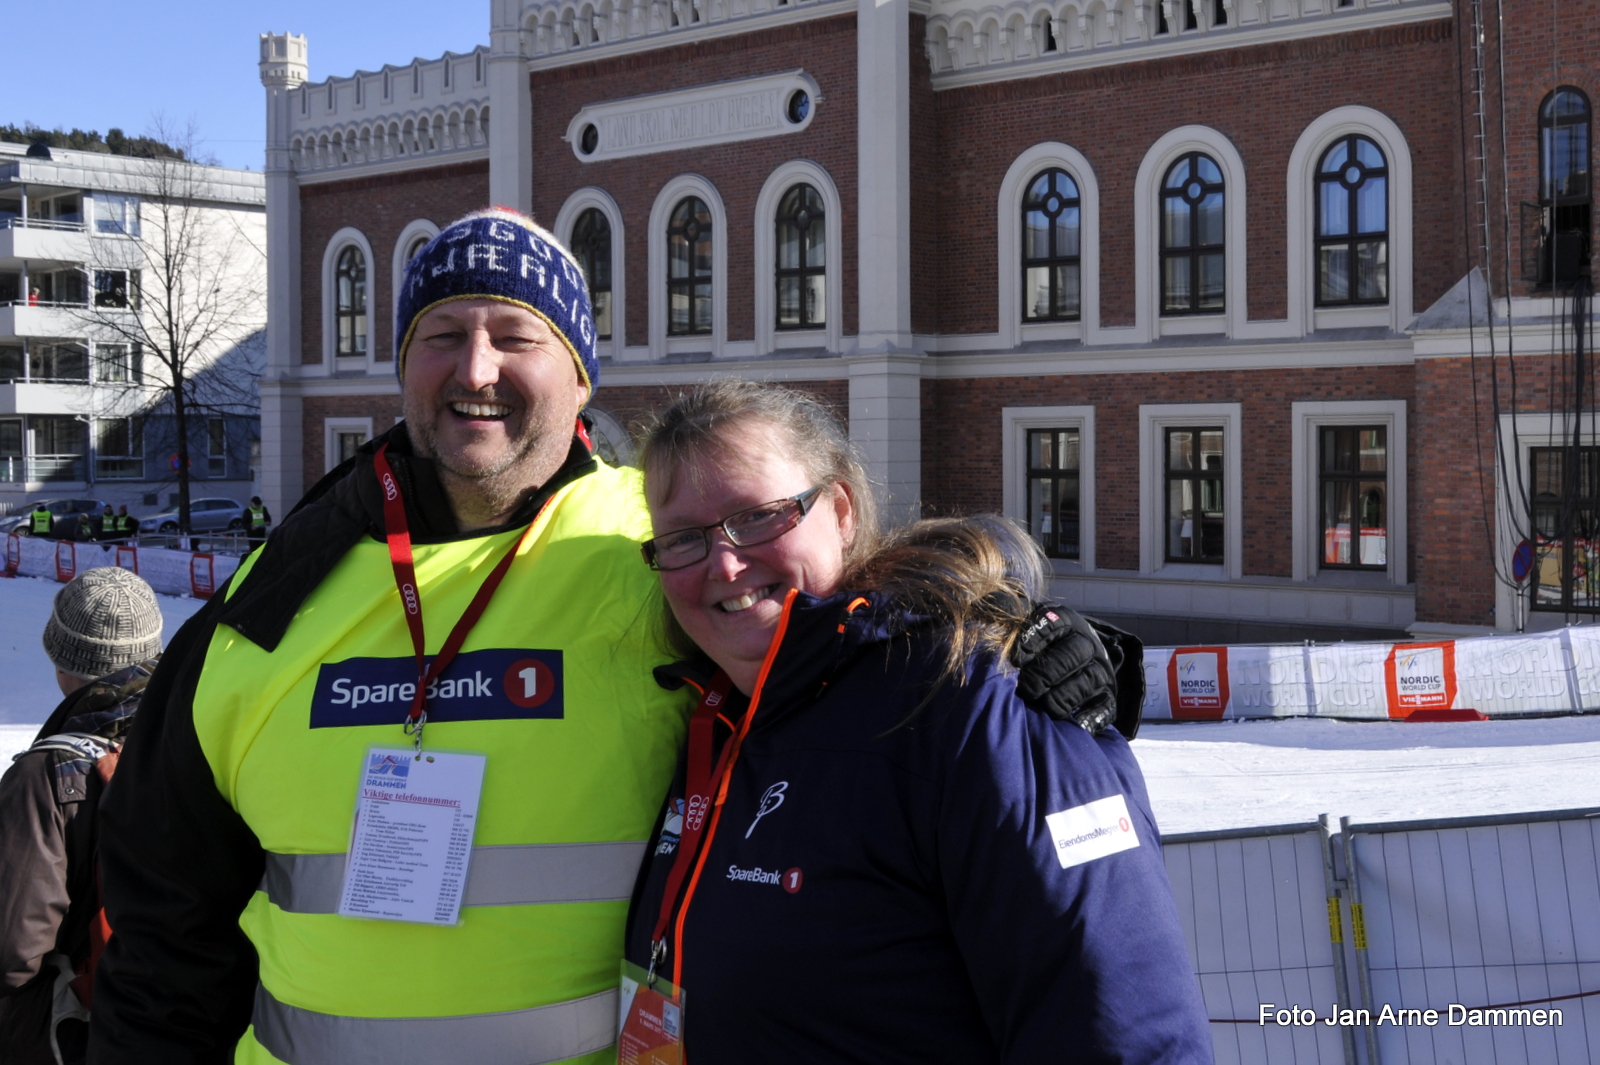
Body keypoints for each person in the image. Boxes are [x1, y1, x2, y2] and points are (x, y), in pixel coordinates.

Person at [89, 209, 1106, 1064]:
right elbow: (167, 927)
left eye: (514, 334)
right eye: (440, 333)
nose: (473, 368)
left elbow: (845, 597)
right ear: (401, 366)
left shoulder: (656, 544)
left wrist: (1026, 628)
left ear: (580, 374)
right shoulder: (277, 596)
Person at [622, 381, 1211, 1064]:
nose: (724, 561)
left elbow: (1122, 1029)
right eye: (684, 538)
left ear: (840, 510)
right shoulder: (715, 720)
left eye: (757, 516)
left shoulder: (975, 701)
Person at [0, 568, 164, 1065]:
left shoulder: (44, 775)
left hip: (72, 1031)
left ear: (61, 659)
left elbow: (13, 952)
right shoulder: (198, 743)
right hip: (183, 1019)